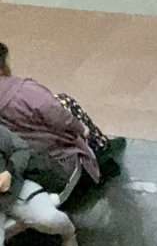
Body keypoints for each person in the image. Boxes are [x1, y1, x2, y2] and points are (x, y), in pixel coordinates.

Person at [0, 42, 124, 192]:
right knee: (66, 103)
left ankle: (100, 143)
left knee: (59, 101)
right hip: (53, 156)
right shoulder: (24, 91)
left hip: (15, 151)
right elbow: (57, 115)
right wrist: (80, 129)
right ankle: (100, 147)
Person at [1, 126, 79, 246]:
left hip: (16, 191)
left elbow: (21, 148)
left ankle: (69, 234)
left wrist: (9, 172)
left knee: (51, 219)